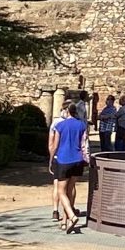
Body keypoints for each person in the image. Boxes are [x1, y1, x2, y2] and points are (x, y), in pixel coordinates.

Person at [48, 98, 90, 231]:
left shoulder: (60, 126)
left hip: (63, 159)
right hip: (77, 160)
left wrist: (50, 160)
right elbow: (85, 144)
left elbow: (55, 145)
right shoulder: (82, 125)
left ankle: (71, 216)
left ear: (67, 111)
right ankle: (65, 222)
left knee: (61, 191)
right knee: (70, 190)